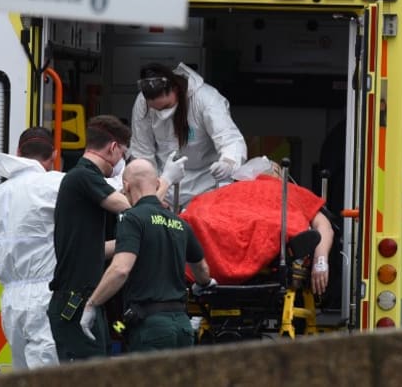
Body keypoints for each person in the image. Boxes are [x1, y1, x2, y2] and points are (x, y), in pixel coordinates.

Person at [47, 115, 184, 362]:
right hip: (76, 299)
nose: (122, 161)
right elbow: (140, 211)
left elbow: (96, 250)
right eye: (123, 153)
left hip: (83, 297)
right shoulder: (83, 177)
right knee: (88, 374)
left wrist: (131, 245)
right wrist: (166, 180)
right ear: (112, 148)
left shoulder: (88, 185)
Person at [80, 158, 215, 352]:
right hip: (183, 327)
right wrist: (203, 284)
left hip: (151, 329)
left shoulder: (132, 219)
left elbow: (120, 269)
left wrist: (92, 304)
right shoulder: (180, 223)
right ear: (158, 183)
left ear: (126, 186)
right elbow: (201, 269)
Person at [0, 127, 64, 369]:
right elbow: (110, 189)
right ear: (54, 155)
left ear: (18, 152)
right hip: (46, 294)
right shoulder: (56, 184)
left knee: (22, 372)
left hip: (11, 301)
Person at [181, 157, 334, 297]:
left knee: (199, 221)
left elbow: (192, 213)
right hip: (274, 242)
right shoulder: (290, 190)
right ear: (277, 172)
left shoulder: (221, 193)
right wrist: (320, 262)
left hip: (213, 244)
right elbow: (324, 226)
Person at [129, 62, 247, 208]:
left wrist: (228, 162)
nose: (162, 113)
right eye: (156, 109)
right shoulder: (142, 102)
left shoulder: (207, 99)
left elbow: (230, 139)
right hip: (164, 185)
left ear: (176, 89)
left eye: (166, 106)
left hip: (204, 186)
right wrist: (149, 191)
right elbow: (142, 151)